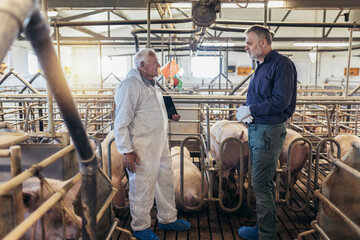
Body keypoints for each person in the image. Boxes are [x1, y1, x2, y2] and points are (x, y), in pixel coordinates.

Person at [114, 48, 190, 240]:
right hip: (141, 147)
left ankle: (168, 218)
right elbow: (121, 121)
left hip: (159, 143)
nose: (158, 65)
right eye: (155, 62)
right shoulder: (130, 85)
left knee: (165, 181)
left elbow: (151, 111)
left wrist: (170, 116)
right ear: (141, 65)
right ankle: (140, 227)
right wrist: (127, 151)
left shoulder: (151, 84)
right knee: (142, 186)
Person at [236, 25, 297, 240]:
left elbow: (281, 101)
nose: (246, 47)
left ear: (263, 42)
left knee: (260, 183)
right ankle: (265, 227)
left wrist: (251, 109)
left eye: (249, 43)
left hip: (268, 132)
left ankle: (266, 233)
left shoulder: (282, 65)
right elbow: (261, 97)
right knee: (262, 182)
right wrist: (246, 110)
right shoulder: (261, 67)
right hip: (257, 130)